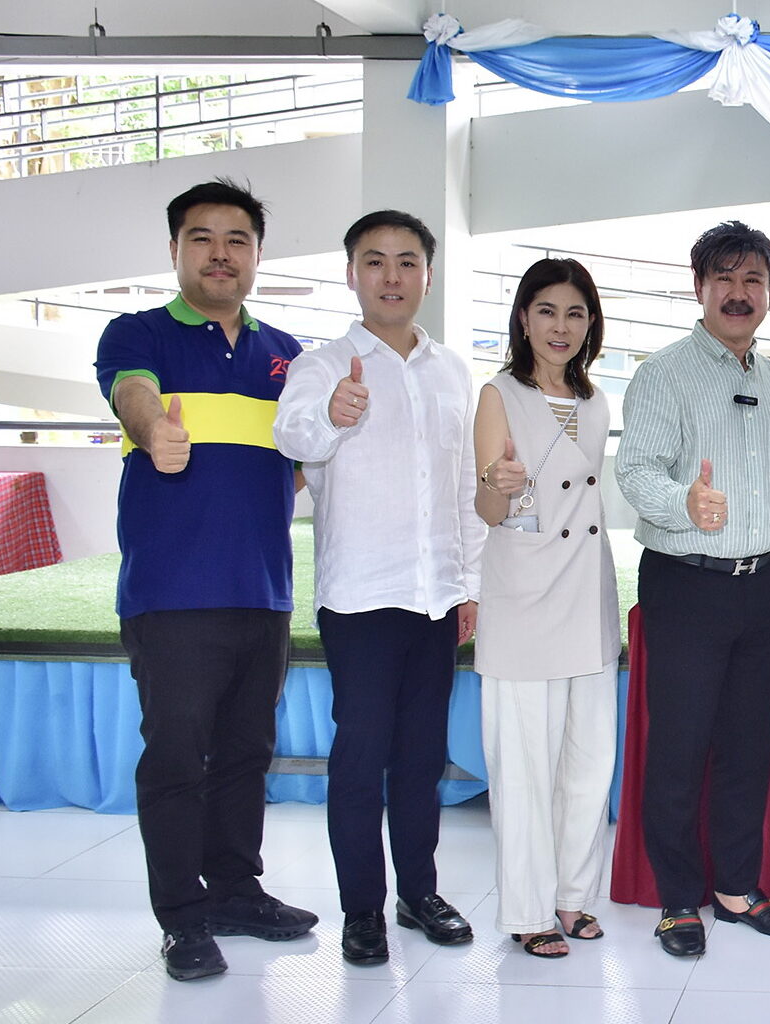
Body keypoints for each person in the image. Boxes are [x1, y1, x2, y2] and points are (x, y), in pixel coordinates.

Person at [93, 178, 318, 981]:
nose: (221, 255)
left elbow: (298, 460)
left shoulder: (286, 353)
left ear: (257, 254)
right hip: (172, 593)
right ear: (175, 249)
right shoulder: (138, 332)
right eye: (202, 238)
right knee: (177, 759)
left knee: (247, 753)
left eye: (237, 240)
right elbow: (131, 392)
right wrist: (155, 427)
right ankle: (182, 919)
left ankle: (234, 891)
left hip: (263, 591)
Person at [272, 210, 482, 966]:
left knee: (423, 758)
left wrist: (470, 584)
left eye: (407, 261)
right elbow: (292, 437)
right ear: (351, 273)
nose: (392, 276)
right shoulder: (322, 365)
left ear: (428, 273)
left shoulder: (452, 370)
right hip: (360, 596)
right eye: (374, 261)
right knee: (361, 759)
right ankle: (361, 908)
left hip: (435, 597)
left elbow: (466, 486)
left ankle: (418, 893)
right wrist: (332, 417)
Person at [615, 220, 770, 958]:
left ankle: (737, 888)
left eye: (752, 280)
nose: (739, 294)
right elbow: (635, 471)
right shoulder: (663, 374)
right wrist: (685, 503)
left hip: (761, 589)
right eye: (724, 279)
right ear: (699, 287)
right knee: (678, 747)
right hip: (685, 585)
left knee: (745, 748)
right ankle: (677, 899)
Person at [472, 258, 621, 959]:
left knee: (589, 762)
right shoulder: (499, 394)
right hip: (525, 598)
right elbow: (487, 509)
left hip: (586, 595)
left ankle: (573, 895)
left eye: (576, 313)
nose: (561, 327)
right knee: (525, 768)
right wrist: (499, 482)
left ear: (591, 325)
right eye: (547, 311)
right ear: (523, 319)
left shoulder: (597, 403)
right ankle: (528, 911)